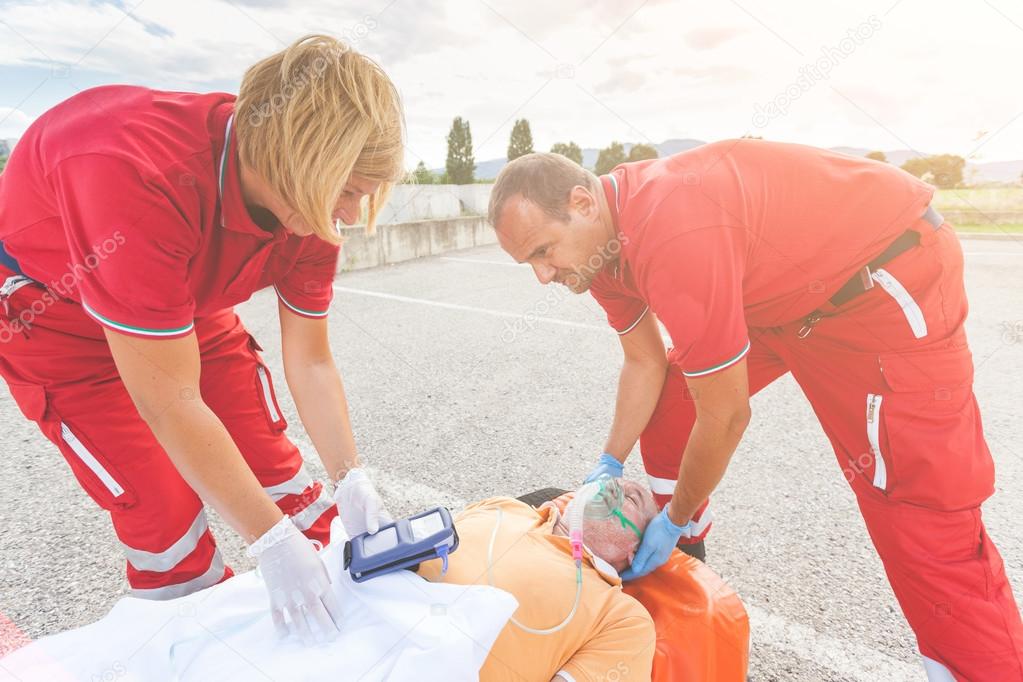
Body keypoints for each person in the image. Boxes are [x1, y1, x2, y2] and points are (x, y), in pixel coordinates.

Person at [486, 143, 1023, 680]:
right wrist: (609, 459)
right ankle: (688, 585)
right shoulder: (598, 252)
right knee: (673, 406)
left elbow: (725, 414)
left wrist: (671, 520)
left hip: (878, 285)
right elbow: (645, 362)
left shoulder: (671, 233)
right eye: (528, 261)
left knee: (919, 512)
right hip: (784, 300)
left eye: (542, 251)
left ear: (582, 203)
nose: (542, 275)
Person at [0, 35, 401, 641]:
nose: (346, 213)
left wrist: (352, 477)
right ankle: (190, 631)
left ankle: (343, 622)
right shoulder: (133, 171)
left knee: (276, 470)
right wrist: (269, 541)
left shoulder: (311, 205)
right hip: (56, 315)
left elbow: (311, 360)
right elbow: (170, 401)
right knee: (163, 515)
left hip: (176, 293)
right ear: (296, 158)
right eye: (347, 191)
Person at [416, 479, 660, 681]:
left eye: (631, 498)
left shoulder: (624, 619)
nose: (613, 489)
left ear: (636, 551)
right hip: (386, 607)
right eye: (608, 483)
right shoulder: (504, 507)